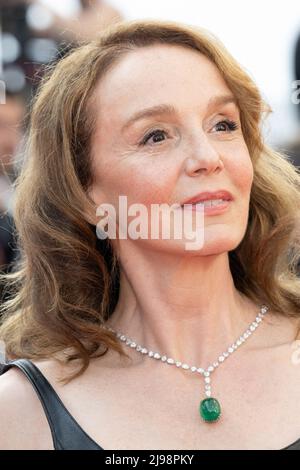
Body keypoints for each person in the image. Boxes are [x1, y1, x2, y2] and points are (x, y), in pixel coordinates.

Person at [0, 19, 300, 450]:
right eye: (156, 135)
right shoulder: (20, 416)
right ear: (84, 192)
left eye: (223, 124)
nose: (207, 157)